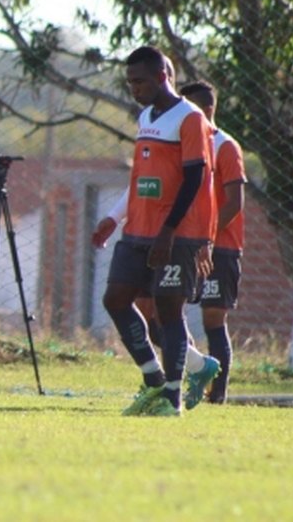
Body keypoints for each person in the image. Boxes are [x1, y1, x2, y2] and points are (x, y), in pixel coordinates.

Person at [98, 45, 216, 416]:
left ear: (163, 76)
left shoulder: (190, 118)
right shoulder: (147, 115)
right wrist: (115, 218)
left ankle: (172, 396)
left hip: (176, 233)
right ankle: (152, 379)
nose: (134, 88)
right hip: (139, 229)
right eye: (130, 82)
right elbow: (142, 177)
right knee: (115, 299)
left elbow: (195, 178)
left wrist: (168, 231)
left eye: (140, 81)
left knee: (169, 312)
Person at [178, 80, 245, 405]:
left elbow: (234, 201)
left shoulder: (225, 146)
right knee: (171, 311)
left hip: (220, 247)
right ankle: (189, 375)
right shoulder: (186, 145)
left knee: (213, 318)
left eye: (188, 108)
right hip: (188, 244)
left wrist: (209, 235)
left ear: (206, 110)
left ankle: (217, 395)